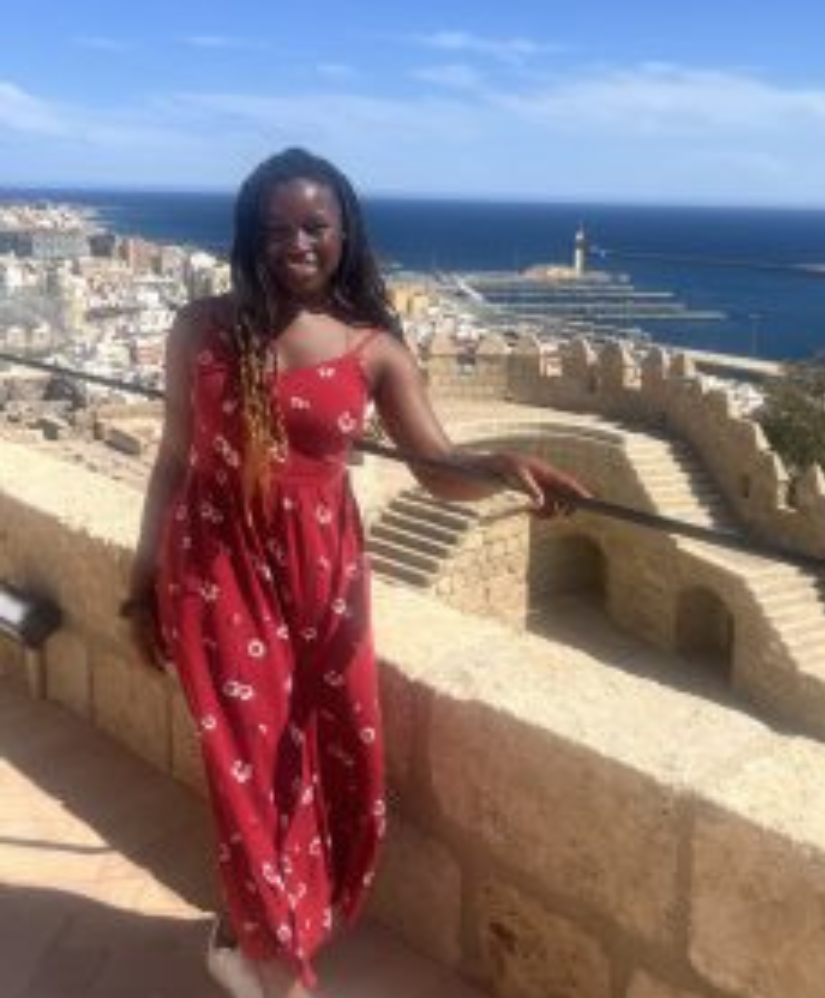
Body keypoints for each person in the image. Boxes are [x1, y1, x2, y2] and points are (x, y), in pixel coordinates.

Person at [125, 147, 588, 998]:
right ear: (248, 236)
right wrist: (141, 578)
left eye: (314, 226)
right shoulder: (202, 329)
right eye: (275, 229)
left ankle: (239, 939)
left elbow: (436, 465)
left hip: (324, 582)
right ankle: (283, 976)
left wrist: (501, 465)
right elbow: (174, 458)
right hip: (215, 571)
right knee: (251, 775)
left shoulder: (376, 351)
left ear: (344, 232)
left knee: (333, 767)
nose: (295, 243)